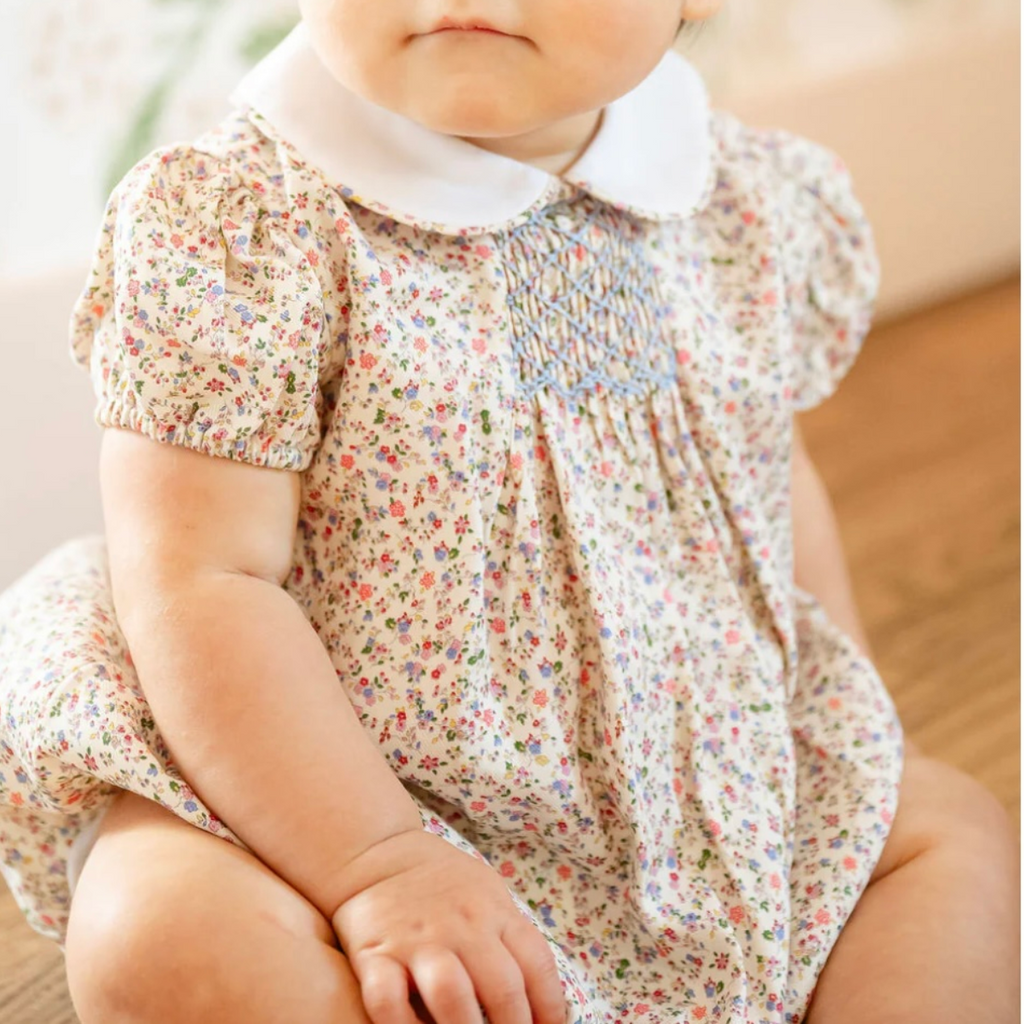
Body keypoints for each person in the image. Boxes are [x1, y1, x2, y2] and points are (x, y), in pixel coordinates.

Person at [0, 2, 1017, 1022]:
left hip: (693, 767)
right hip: (326, 774)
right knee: (158, 934)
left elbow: (764, 476)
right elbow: (204, 581)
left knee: (952, 842)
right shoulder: (249, 226)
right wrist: (378, 864)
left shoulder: (741, 206)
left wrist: (843, 735)